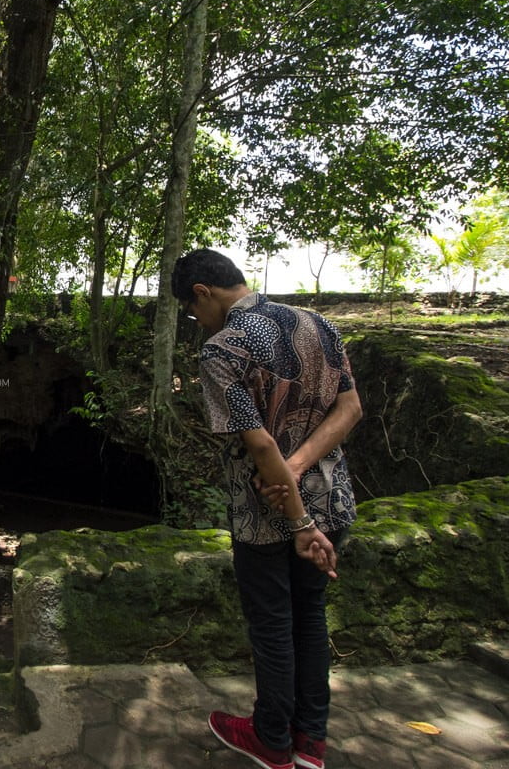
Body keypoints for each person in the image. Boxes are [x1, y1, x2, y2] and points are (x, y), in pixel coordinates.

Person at [171, 248, 363, 769]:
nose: (197, 322)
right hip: (331, 496)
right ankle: (311, 743)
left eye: (193, 312)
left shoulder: (221, 350)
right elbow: (351, 408)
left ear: (203, 294)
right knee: (310, 617)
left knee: (274, 624)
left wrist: (297, 516)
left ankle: (272, 739)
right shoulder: (317, 323)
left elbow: (259, 446)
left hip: (266, 510)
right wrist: (300, 465)